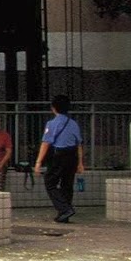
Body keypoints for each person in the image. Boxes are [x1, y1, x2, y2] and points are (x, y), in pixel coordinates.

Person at [33, 94, 86, 223]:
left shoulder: (51, 124)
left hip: (58, 155)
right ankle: (64, 215)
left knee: (50, 182)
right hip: (72, 155)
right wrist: (80, 163)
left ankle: (65, 209)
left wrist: (38, 162)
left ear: (53, 108)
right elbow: (79, 144)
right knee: (67, 184)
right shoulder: (73, 123)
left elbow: (46, 143)